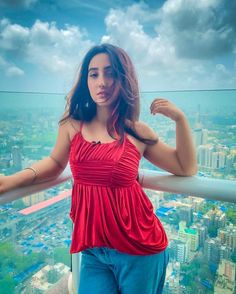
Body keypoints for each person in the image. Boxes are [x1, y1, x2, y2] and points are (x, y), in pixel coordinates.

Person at [0, 43, 197, 293]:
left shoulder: (136, 131)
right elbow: (54, 164)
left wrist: (180, 119)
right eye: (94, 74)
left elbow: (185, 167)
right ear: (86, 80)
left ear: (123, 79)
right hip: (93, 250)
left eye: (110, 73)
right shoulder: (72, 124)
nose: (101, 81)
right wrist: (9, 182)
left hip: (139, 249)